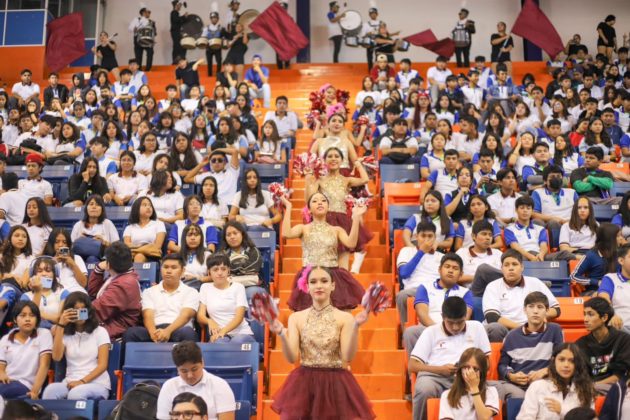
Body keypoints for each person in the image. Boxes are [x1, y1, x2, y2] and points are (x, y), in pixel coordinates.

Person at [269, 266, 375, 419]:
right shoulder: (295, 318)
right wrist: (281, 334)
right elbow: (292, 358)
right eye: (313, 282)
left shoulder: (345, 318)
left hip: (336, 384)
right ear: (307, 287)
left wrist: (355, 327)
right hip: (304, 383)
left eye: (324, 281)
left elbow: (348, 356)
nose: (319, 286)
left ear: (333, 286)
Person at [409, 296, 491, 420]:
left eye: (460, 322)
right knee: (424, 389)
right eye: (450, 323)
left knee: (496, 389)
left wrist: (472, 370)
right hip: (437, 377)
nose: (455, 327)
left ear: (466, 316)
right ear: (442, 317)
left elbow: (487, 362)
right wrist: (440, 369)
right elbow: (412, 365)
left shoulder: (477, 327)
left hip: (469, 377)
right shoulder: (430, 332)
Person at [282, 192, 366, 311]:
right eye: (315, 201)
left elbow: (351, 243)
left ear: (328, 207)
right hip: (310, 276)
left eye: (323, 200)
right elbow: (286, 233)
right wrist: (288, 207)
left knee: (336, 316)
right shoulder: (303, 228)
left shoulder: (337, 230)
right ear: (309, 210)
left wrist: (356, 217)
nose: (320, 203)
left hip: (332, 275)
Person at [305, 148, 371, 271]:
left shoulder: (346, 180)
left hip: (343, 222)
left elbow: (365, 179)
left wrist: (357, 164)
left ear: (342, 160)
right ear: (324, 160)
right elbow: (309, 199)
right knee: (324, 265)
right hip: (324, 222)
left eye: (336, 156)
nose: (333, 159)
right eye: (330, 156)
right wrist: (308, 179)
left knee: (342, 268)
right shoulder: (320, 180)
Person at [496, 292, 564, 400]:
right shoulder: (511, 336)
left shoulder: (554, 330)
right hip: (518, 386)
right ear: (525, 310)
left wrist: (545, 371)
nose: (535, 311)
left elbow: (561, 360)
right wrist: (511, 376)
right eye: (531, 307)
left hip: (545, 382)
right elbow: (503, 365)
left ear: (547, 311)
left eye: (540, 307)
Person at [43, 292, 110, 400]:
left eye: (83, 309)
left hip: (97, 383)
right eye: (75, 310)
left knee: (75, 394)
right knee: (50, 391)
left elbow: (103, 365)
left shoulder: (100, 332)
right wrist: (61, 325)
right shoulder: (64, 334)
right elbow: (56, 357)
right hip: (70, 382)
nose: (80, 313)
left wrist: (82, 381)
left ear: (89, 311)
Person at [482, 250, 560, 342]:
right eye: (506, 265)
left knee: (555, 328)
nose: (511, 268)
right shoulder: (492, 286)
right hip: (505, 329)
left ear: (522, 267)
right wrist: (522, 328)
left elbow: (556, 309)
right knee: (495, 328)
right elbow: (492, 317)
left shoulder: (535, 282)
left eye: (514, 264)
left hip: (532, 328)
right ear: (501, 268)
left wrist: (543, 315)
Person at [402, 253, 472, 356]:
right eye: (447, 267)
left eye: (455, 268)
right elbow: (422, 315)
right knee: (411, 332)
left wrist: (450, 330)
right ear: (439, 270)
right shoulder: (425, 287)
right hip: (429, 329)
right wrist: (440, 331)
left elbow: (465, 317)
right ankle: (416, 365)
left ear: (461, 274)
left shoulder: (465, 292)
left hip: (455, 330)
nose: (450, 270)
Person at [124, 254, 198, 343]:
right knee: (131, 333)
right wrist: (153, 333)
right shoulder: (149, 291)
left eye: (174, 268)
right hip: (155, 329)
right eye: (165, 267)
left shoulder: (191, 292)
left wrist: (167, 331)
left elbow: (186, 316)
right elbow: (148, 315)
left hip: (179, 329)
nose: (169, 271)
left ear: (182, 271)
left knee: (188, 333)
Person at [156, 341, 235, 419]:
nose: (190, 375)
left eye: (194, 369)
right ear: (177, 368)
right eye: (184, 371)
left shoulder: (220, 385)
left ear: (202, 362)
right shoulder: (169, 387)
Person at [517, 343, 595, 419]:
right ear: (553, 360)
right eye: (561, 360)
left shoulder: (586, 390)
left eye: (571, 361)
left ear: (577, 364)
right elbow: (524, 417)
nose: (566, 365)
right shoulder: (537, 386)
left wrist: (562, 410)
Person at [87, 241, 142, 340]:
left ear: (108, 264)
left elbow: (96, 311)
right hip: (107, 325)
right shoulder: (121, 274)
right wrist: (99, 270)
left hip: (115, 331)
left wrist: (75, 315)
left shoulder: (124, 284)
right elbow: (93, 293)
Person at [576, 297, 630, 395]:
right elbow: (581, 376)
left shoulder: (623, 340)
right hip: (589, 390)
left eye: (590, 314)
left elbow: (619, 375)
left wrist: (594, 386)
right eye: (585, 314)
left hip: (616, 388)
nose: (585, 319)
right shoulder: (580, 344)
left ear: (604, 318)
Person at [198, 253, 255, 344]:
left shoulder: (238, 287)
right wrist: (209, 321)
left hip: (242, 333)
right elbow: (200, 316)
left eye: (223, 269)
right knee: (219, 343)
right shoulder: (205, 288)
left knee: (236, 342)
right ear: (209, 272)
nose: (220, 273)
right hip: (221, 336)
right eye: (215, 269)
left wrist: (222, 331)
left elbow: (239, 317)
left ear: (228, 270)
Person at [0, 301, 51, 399]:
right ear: (15, 319)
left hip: (26, 385)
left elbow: (44, 365)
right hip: (7, 382)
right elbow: (1, 366)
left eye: (32, 315)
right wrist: (1, 373)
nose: (27, 319)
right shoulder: (6, 339)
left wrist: (34, 392)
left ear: (37, 319)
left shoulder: (44, 334)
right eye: (23, 315)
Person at [439, 347, 499, 419]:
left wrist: (474, 388)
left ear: (482, 372)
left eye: (475, 368)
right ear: (460, 369)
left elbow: (484, 418)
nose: (470, 372)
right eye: (466, 367)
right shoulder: (447, 395)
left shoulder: (491, 391)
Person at [219, 221, 265, 302]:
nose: (232, 237)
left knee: (250, 293)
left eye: (235, 233)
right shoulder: (222, 254)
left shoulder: (253, 250)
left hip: (250, 285)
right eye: (228, 235)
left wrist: (233, 271)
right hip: (230, 286)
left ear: (242, 234)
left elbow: (253, 268)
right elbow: (221, 271)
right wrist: (242, 269)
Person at [21, 256, 69, 327]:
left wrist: (38, 314)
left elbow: (60, 319)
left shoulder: (63, 292)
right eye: (39, 271)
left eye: (48, 270)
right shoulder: (26, 296)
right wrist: (38, 290)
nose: (44, 274)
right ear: (33, 275)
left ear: (54, 274)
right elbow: (29, 320)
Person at [70, 195, 119, 264]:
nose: (94, 207)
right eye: (91, 204)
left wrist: (104, 243)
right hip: (80, 257)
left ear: (102, 209)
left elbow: (117, 247)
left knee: (91, 258)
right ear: (86, 208)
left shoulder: (107, 223)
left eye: (98, 205)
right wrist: (79, 240)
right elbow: (71, 247)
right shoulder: (78, 225)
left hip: (102, 259)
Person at [43, 228, 88, 294]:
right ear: (52, 243)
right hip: (56, 294)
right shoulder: (45, 260)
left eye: (64, 242)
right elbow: (44, 286)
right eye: (57, 242)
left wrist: (72, 264)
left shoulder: (77, 258)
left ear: (68, 245)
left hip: (76, 293)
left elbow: (84, 284)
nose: (60, 245)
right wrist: (52, 264)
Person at [123, 196, 167, 263]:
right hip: (132, 257)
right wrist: (144, 246)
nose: (148, 207)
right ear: (136, 208)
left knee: (139, 256)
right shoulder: (129, 228)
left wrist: (136, 248)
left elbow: (157, 247)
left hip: (152, 256)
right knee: (138, 256)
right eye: (144, 205)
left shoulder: (159, 224)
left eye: (150, 205)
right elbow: (127, 245)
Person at [597, 244, 630, 332]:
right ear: (621, 261)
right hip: (621, 328)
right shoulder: (610, 278)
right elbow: (603, 299)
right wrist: (612, 315)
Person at [129, 7, 155, 71]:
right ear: (143, 13)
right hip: (138, 38)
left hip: (148, 40)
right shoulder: (137, 19)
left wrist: (153, 37)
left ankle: (148, 68)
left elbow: (154, 32)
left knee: (150, 53)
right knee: (138, 55)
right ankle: (139, 69)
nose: (149, 14)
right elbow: (130, 28)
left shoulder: (152, 22)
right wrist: (134, 29)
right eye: (148, 12)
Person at [202, 11, 224, 77]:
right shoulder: (206, 28)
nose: (214, 19)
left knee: (219, 61)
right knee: (209, 62)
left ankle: (218, 75)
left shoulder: (221, 28)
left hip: (218, 48)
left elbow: (223, 37)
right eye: (212, 18)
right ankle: (210, 76)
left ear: (218, 19)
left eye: (215, 18)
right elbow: (203, 37)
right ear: (210, 19)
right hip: (209, 48)